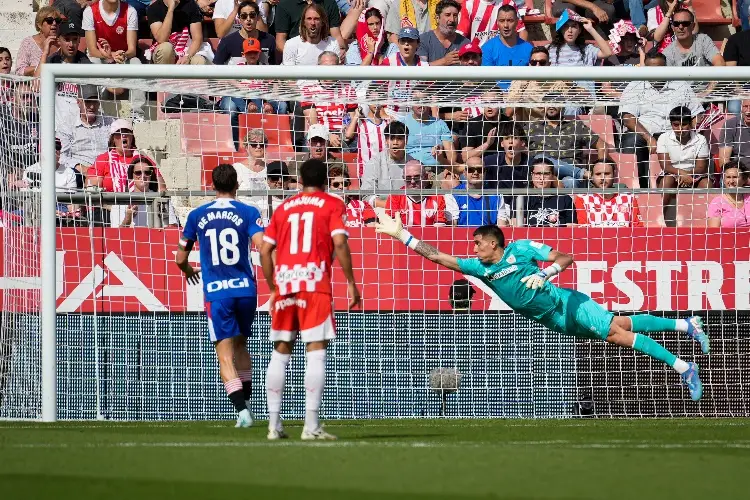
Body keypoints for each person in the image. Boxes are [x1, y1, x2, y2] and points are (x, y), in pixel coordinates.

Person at [373, 214, 709, 401]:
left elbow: (566, 257)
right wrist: (403, 235)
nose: (472, 248)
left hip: (566, 302)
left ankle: (683, 367)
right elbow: (438, 257)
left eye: (477, 243)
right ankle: (686, 325)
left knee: (615, 333)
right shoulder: (481, 269)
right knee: (623, 323)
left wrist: (546, 273)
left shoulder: (520, 248)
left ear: (493, 243)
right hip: (554, 321)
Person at [260, 158, 360, 440]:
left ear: (300, 181)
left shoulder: (282, 208)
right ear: (326, 182)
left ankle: (273, 425)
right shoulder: (332, 204)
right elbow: (339, 242)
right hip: (314, 283)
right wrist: (351, 283)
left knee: (280, 352)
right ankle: (311, 426)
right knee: (315, 351)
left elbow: (264, 251)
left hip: (285, 284)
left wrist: (272, 286)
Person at [176, 163, 265, 428]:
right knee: (241, 347)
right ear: (237, 185)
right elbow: (261, 245)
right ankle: (247, 405)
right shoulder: (249, 211)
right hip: (247, 291)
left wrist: (187, 270)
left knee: (224, 355)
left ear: (212, 186)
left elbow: (180, 257)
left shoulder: (196, 215)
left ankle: (242, 412)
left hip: (217, 292)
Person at [617, 49, 703, 188]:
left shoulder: (681, 85)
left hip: (676, 132)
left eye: (658, 69)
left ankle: (691, 184)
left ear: (666, 68)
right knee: (631, 140)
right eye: (650, 69)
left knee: (698, 140)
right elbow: (628, 117)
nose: (654, 73)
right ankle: (637, 189)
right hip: (645, 132)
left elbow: (697, 114)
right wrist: (648, 138)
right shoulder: (635, 85)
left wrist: (687, 132)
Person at [656, 106, 710, 225]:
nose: (680, 129)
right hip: (672, 172)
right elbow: (665, 165)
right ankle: (658, 218)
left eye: (684, 124)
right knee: (666, 181)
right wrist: (682, 174)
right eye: (676, 125)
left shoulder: (700, 139)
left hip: (695, 173)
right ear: (671, 124)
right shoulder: (663, 138)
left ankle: (705, 221)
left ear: (690, 123)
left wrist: (687, 175)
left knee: (707, 184)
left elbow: (701, 167)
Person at [574, 158, 644, 227]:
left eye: (607, 174)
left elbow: (638, 228)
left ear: (614, 175)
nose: (602, 177)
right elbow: (583, 229)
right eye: (598, 174)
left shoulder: (629, 198)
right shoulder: (582, 199)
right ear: (592, 177)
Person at [445, 157, 511, 227]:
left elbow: (502, 226)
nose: (475, 173)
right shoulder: (453, 195)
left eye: (480, 170)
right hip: (462, 237)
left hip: (488, 237)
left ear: (485, 172)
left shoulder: (497, 195)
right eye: (471, 170)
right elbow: (452, 228)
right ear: (464, 173)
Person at [385, 159, 454, 226]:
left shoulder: (437, 198)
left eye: (417, 177)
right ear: (403, 178)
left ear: (426, 177)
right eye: (408, 178)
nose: (412, 182)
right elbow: (392, 226)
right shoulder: (395, 196)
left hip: (428, 237)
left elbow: (439, 230)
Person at [118, 157, 179, 227]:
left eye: (147, 172)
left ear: (151, 175)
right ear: (131, 175)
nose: (143, 176)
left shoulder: (161, 198)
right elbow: (114, 234)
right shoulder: (120, 200)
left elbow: (172, 226)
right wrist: (128, 218)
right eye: (138, 173)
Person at [480, 4, 533, 83]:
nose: (505, 25)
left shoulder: (529, 49)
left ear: (517, 22)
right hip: (496, 94)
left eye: (510, 21)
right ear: (497, 22)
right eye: (502, 21)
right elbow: (487, 82)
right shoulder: (488, 48)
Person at [148, 0, 212, 65]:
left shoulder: (191, 5)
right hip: (164, 52)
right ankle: (165, 75)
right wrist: (170, 9)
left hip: (188, 49)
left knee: (199, 61)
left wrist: (187, 56)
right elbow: (162, 39)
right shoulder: (154, 8)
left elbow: (197, 39)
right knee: (166, 48)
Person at [523, 157, 576, 227]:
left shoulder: (565, 199)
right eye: (538, 173)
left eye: (546, 174)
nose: (541, 178)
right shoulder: (523, 199)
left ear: (553, 176)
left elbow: (571, 228)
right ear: (532, 175)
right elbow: (517, 228)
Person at [15, 6, 62, 77]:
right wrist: (44, 68)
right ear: (39, 24)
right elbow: (20, 70)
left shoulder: (64, 43)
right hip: (34, 86)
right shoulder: (28, 43)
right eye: (49, 21)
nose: (54, 23)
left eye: (57, 20)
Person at [416, 0, 467, 66]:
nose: (452, 19)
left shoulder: (464, 43)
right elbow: (418, 69)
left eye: (455, 15)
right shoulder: (423, 40)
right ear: (437, 18)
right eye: (447, 15)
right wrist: (444, 61)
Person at [457, 0, 527, 47]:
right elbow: (460, 35)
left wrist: (519, 51)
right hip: (477, 55)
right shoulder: (468, 4)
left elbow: (521, 30)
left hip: (502, 53)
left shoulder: (508, 3)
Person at [708, 161, 750, 228]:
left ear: (744, 180)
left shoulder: (749, 197)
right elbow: (714, 233)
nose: (731, 181)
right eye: (728, 177)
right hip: (729, 238)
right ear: (724, 180)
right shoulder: (717, 202)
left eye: (735, 177)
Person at [718, 99, 750, 168]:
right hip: (738, 172)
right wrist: (742, 176)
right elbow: (724, 160)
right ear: (741, 107)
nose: (748, 111)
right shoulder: (730, 124)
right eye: (745, 106)